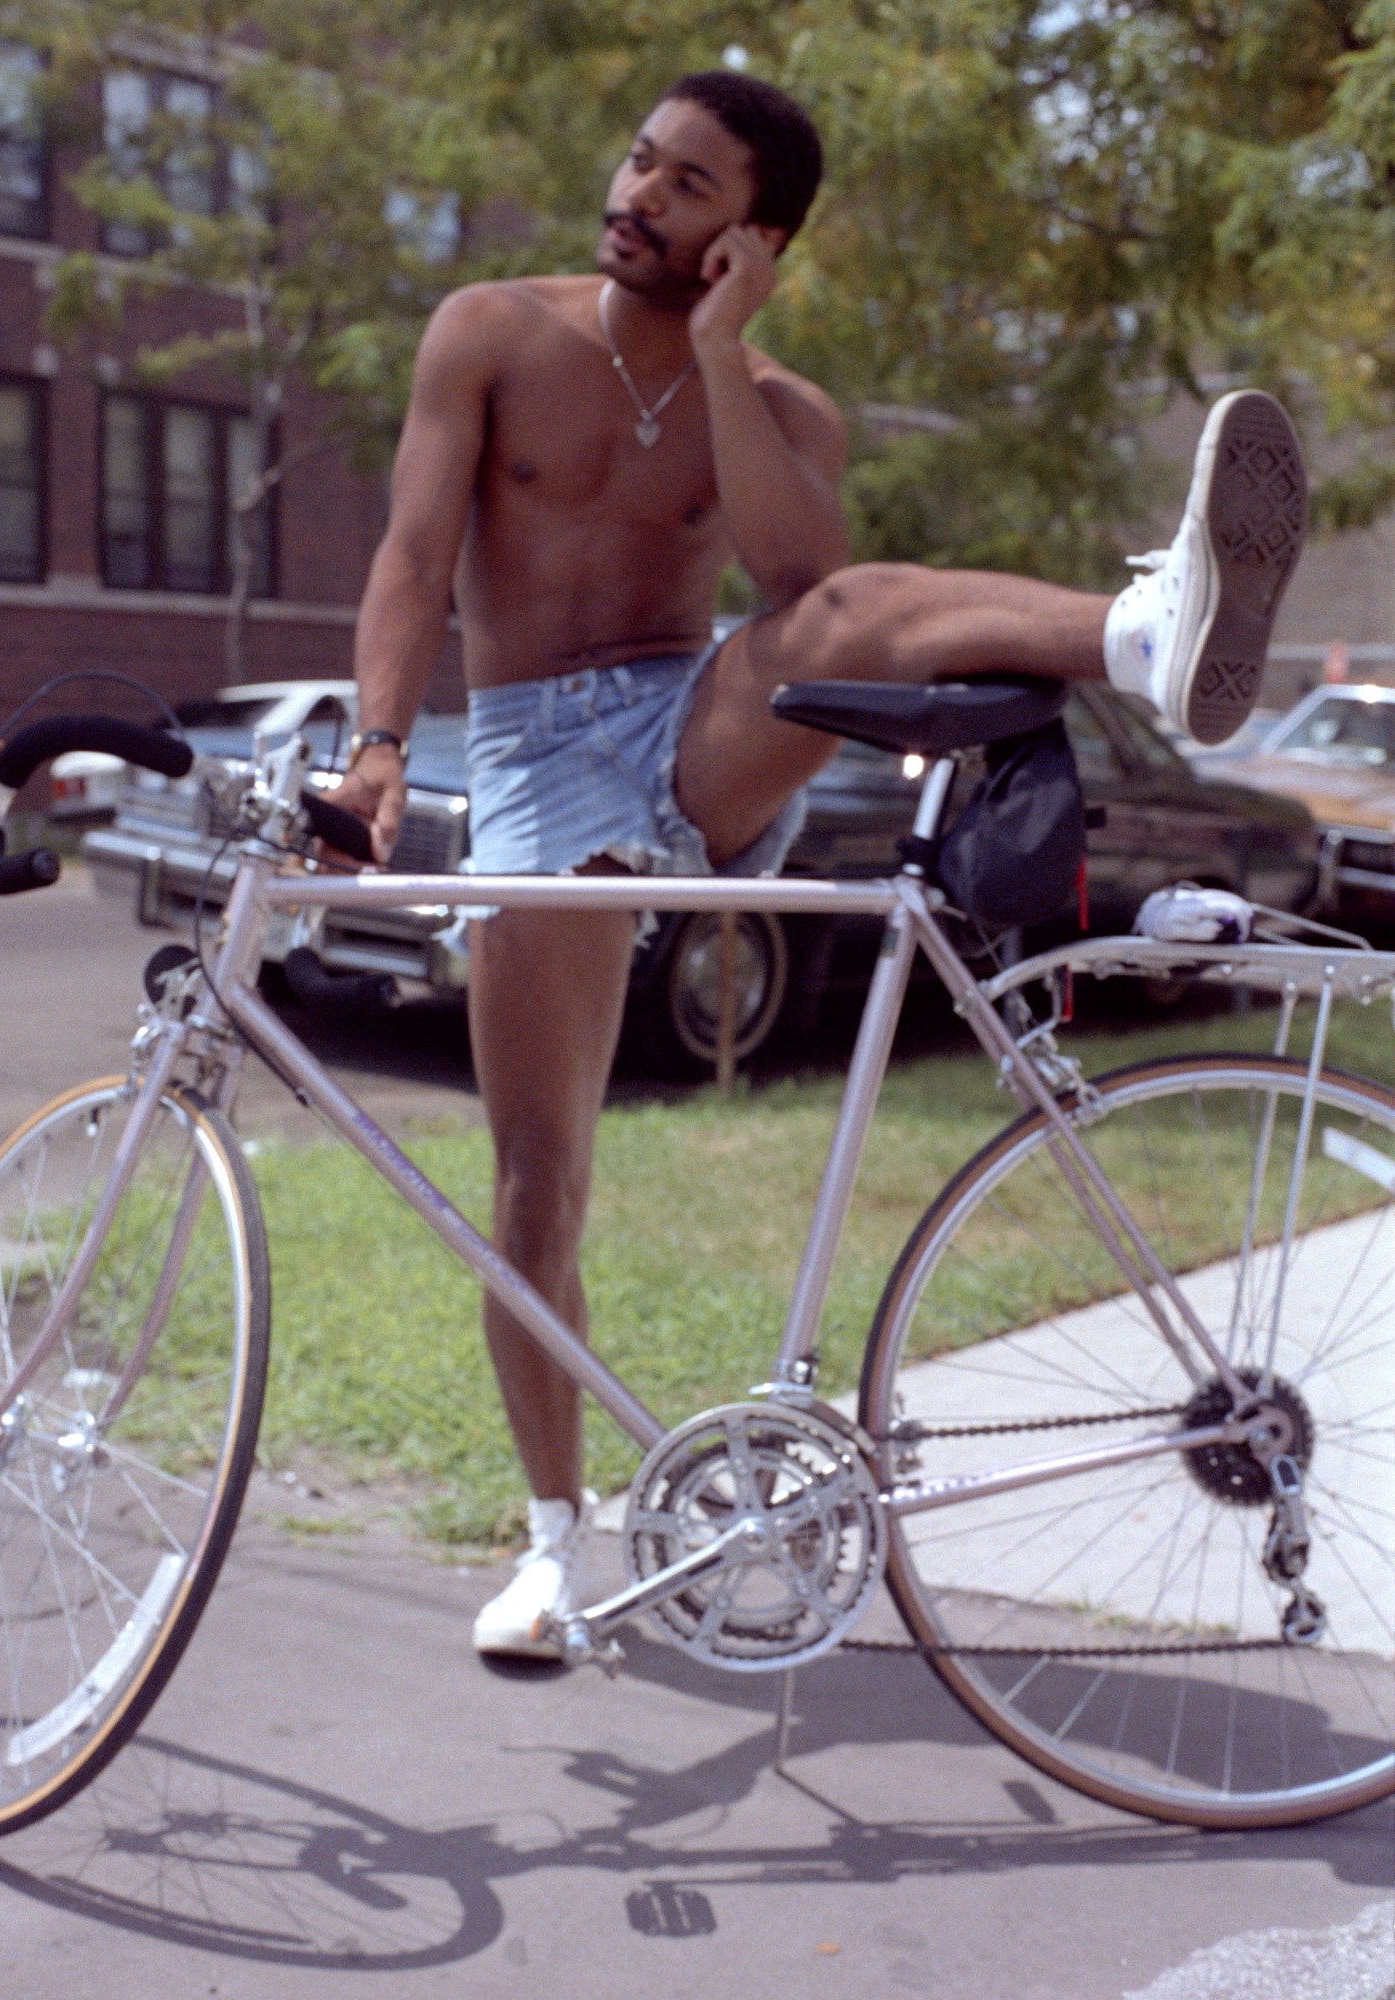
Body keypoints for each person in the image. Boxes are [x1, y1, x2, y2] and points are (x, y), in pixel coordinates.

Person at [334, 70, 1307, 1657]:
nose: (641, 193)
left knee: (859, 604)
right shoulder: (488, 331)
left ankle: (1152, 628)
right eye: (641, 161)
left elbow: (804, 592)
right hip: (522, 758)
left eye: (689, 185)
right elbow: (411, 556)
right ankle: (554, 1551)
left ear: (755, 239)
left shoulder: (780, 405)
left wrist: (718, 354)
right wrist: (377, 749)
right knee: (534, 1196)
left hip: (693, 720)